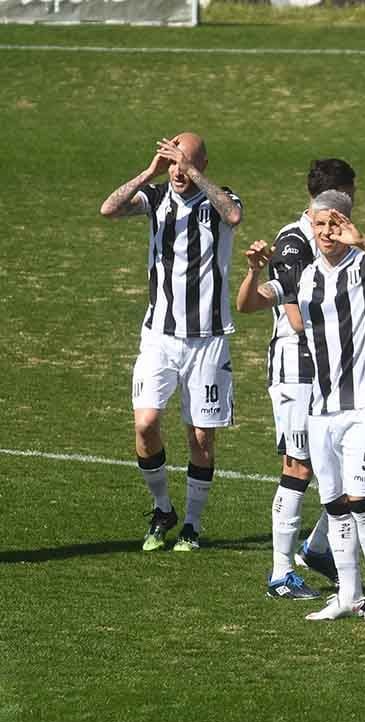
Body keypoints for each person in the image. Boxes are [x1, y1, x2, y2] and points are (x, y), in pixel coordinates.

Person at [239, 190, 365, 623]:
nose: (325, 234)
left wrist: (363, 241)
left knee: (361, 500)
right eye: (319, 226)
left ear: (346, 224)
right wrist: (251, 271)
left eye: (333, 225)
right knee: (334, 502)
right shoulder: (304, 278)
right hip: (321, 408)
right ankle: (347, 594)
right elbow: (247, 304)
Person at [100, 132, 243, 552]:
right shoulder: (156, 196)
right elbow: (108, 209)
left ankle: (193, 526)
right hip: (159, 336)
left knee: (201, 438)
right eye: (174, 162)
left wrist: (195, 172)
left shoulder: (221, 199)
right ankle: (163, 509)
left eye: (186, 162)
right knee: (145, 424)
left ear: (200, 163)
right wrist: (150, 171)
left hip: (208, 340)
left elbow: (233, 217)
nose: (178, 171)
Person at [236, 159, 356, 599]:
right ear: (336, 194)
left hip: (331, 368)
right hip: (297, 370)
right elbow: (297, 317)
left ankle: (319, 548)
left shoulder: (336, 237)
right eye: (351, 195)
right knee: (299, 465)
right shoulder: (294, 242)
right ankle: (280, 573)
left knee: (344, 467)